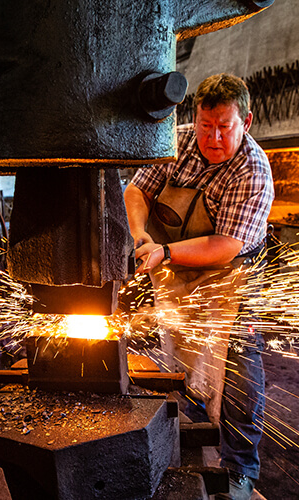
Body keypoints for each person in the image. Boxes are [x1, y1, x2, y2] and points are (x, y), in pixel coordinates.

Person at [124, 73, 274, 500]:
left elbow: (225, 245)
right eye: (205, 126)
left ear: (245, 121)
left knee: (237, 366)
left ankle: (240, 469)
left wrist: (166, 254)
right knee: (177, 347)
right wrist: (141, 238)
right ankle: (186, 433)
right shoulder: (179, 140)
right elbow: (137, 190)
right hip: (172, 259)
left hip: (231, 274)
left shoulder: (253, 170)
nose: (212, 137)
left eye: (223, 127)